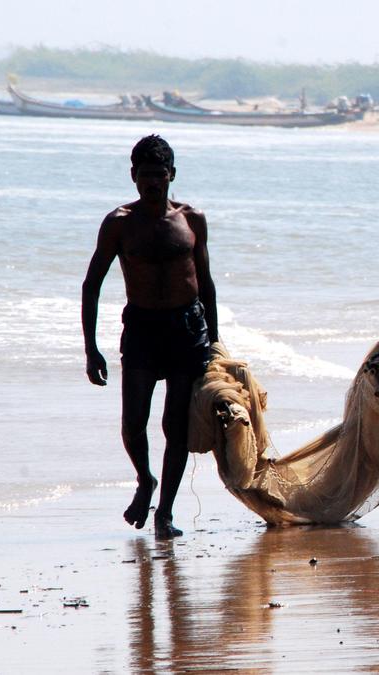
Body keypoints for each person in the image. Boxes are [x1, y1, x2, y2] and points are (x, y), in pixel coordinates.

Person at [81, 135, 219, 539]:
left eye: (159, 175)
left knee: (175, 426)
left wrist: (215, 341)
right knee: (132, 422)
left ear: (172, 175)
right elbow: (91, 285)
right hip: (142, 328)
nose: (152, 183)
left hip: (187, 329)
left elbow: (206, 283)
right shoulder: (120, 223)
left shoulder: (192, 220)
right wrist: (91, 349)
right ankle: (145, 479)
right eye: (145, 176)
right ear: (133, 176)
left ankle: (166, 514)